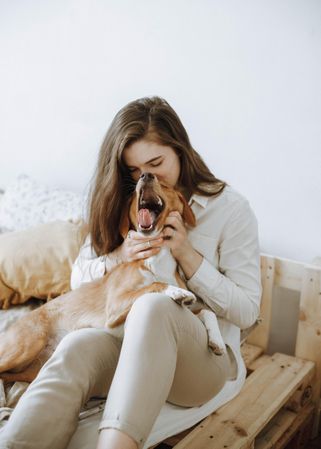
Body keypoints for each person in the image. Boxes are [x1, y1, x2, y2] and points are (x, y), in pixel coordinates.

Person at [0, 96, 261, 449]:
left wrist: (185, 253)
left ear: (180, 151)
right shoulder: (127, 204)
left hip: (203, 362)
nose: (145, 179)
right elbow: (80, 280)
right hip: (121, 345)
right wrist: (119, 255)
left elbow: (247, 312)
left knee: (154, 305)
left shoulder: (230, 209)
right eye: (134, 172)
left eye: (155, 163)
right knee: (76, 343)